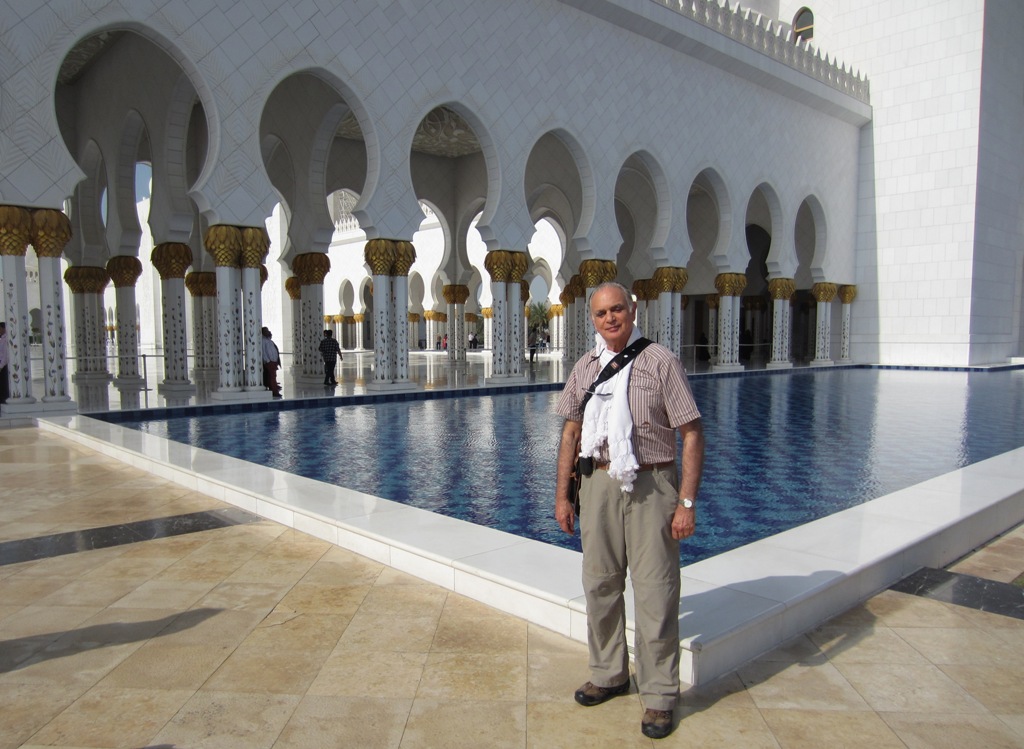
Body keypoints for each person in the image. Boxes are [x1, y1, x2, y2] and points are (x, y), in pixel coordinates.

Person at [554, 281, 704, 740]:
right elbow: (569, 434)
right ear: (593, 319)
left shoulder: (661, 361)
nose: (610, 319)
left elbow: (693, 435)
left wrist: (686, 503)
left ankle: (659, 696)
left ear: (632, 310)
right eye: (601, 314)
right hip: (596, 482)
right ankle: (609, 673)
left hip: (652, 483)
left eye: (617, 309)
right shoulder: (585, 367)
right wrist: (563, 494)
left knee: (656, 590)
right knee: (599, 583)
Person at [261, 327, 282, 398]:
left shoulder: (269, 340)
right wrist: (268, 361)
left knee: (273, 376)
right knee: (272, 377)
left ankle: (274, 390)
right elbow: (263, 352)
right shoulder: (263, 341)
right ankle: (274, 391)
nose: (268, 332)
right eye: (266, 331)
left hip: (273, 362)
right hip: (270, 362)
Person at [0, 321, 8, 404]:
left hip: (3, 366)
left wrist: (1, 366)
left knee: (3, 384)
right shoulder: (2, 338)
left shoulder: (6, 339)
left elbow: (5, 355)